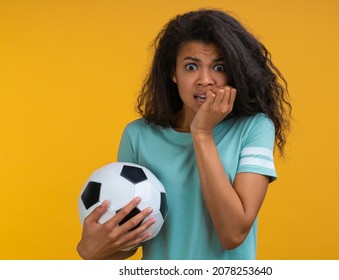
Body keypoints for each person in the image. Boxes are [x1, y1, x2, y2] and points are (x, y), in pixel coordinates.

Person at [77, 8, 291, 260]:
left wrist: (201, 133)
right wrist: (92, 251)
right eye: (191, 67)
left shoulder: (254, 128)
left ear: (234, 71)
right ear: (173, 73)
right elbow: (129, 242)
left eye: (219, 67)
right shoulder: (138, 135)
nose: (205, 80)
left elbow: (233, 234)